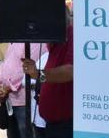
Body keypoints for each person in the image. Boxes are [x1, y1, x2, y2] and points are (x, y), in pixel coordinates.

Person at [22, 8, 73, 138]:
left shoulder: (71, 35)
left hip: (66, 125)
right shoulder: (54, 43)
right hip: (51, 124)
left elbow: (70, 71)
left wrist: (39, 75)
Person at [0, 43, 47, 138]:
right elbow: (5, 64)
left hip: (24, 102)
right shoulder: (14, 39)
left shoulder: (36, 41)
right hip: (10, 101)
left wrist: (8, 87)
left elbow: (28, 69)